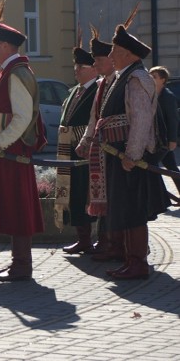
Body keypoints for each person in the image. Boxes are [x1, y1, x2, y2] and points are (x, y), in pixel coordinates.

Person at [85, 22, 170, 279]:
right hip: (118, 154)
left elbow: (141, 119)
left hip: (130, 158)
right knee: (125, 209)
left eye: (115, 51)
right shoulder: (124, 77)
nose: (110, 56)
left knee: (133, 211)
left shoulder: (137, 78)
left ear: (127, 53)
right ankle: (129, 258)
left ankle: (137, 262)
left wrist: (132, 155)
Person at [0, 15, 47, 282]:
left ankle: (22, 266)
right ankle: (18, 263)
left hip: (13, 153)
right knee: (12, 207)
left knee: (18, 208)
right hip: (6, 152)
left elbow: (22, 118)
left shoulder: (16, 73)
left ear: (5, 45)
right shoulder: (8, 71)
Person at [76, 26, 121, 261]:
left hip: (116, 151)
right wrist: (86, 141)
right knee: (101, 199)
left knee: (115, 200)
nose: (96, 65)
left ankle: (115, 245)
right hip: (101, 152)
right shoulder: (103, 84)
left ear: (112, 61)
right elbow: (95, 118)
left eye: (100, 60)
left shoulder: (120, 82)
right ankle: (105, 242)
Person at [56, 38, 99, 254]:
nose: (76, 71)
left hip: (87, 151)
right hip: (69, 150)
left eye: (81, 67)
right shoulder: (76, 90)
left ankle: (95, 239)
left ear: (94, 69)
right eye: (75, 67)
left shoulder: (98, 89)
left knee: (87, 195)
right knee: (73, 194)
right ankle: (82, 238)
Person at [150, 66, 180, 194]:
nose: (150, 78)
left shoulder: (167, 96)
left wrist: (172, 140)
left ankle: (157, 196)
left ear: (163, 79)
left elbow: (173, 120)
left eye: (154, 76)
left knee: (152, 166)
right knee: (171, 167)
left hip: (165, 139)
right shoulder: (151, 94)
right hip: (156, 139)